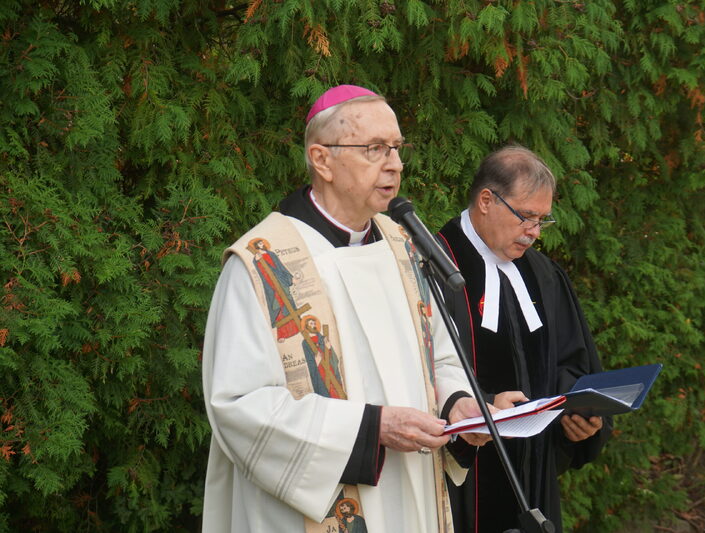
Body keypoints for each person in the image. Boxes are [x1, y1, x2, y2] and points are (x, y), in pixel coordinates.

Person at [201, 84, 489, 533]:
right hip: (310, 509)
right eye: (375, 148)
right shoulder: (263, 264)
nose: (394, 163)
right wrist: (370, 427)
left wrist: (458, 405)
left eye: (396, 148)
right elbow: (238, 405)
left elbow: (439, 355)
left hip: (410, 489)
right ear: (322, 160)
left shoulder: (404, 246)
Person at [436, 146, 613, 533]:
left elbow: (570, 360)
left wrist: (577, 415)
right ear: (486, 200)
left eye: (541, 220)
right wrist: (479, 406)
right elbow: (419, 373)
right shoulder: (433, 267)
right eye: (526, 216)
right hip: (461, 486)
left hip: (533, 480)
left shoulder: (543, 274)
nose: (533, 232)